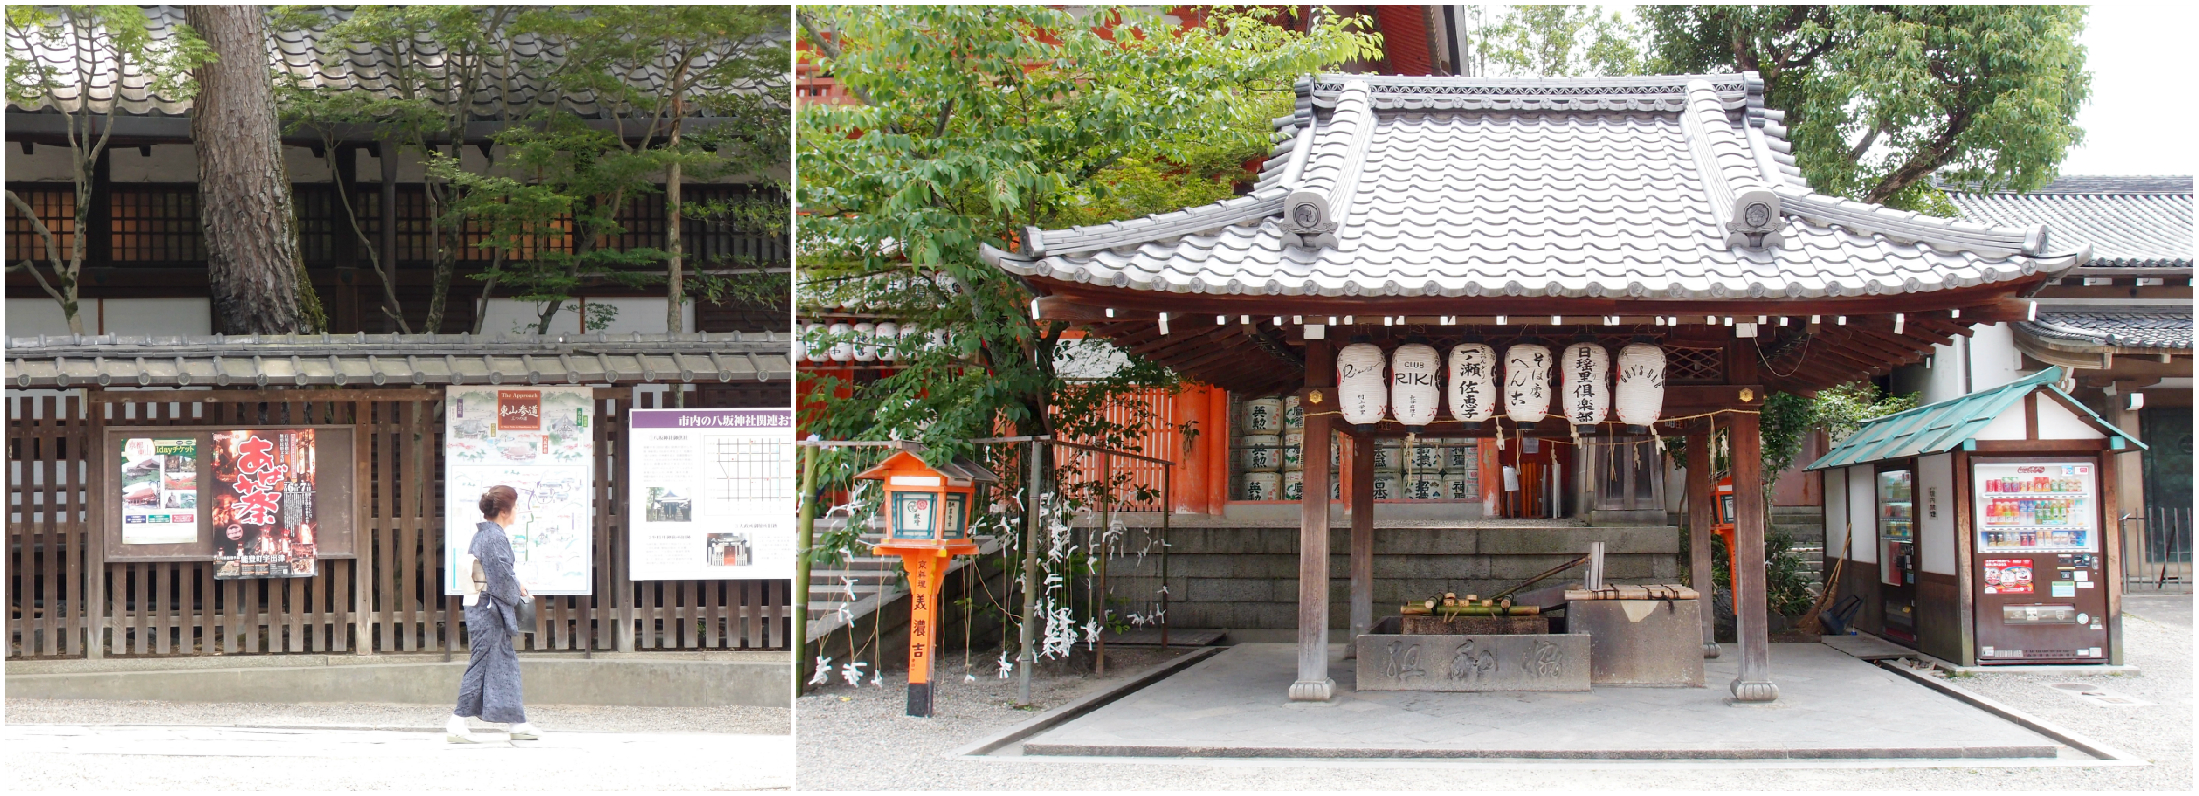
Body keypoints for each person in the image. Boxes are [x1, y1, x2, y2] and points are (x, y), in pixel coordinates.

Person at [448, 485, 541, 743]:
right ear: (503, 511)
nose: (517, 511)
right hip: (488, 611)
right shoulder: (494, 538)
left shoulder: (484, 535)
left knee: (504, 663)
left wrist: (515, 583)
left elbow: (499, 574)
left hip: (484, 606)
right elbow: (501, 578)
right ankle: (457, 722)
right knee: (483, 663)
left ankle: (517, 722)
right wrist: (517, 591)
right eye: (515, 507)